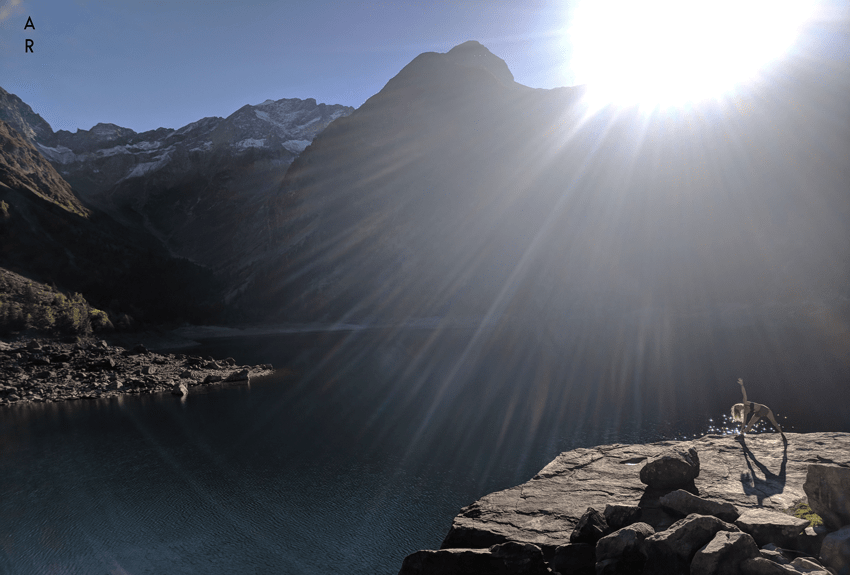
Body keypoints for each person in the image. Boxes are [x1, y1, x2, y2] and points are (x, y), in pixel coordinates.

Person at [732, 378, 787, 443]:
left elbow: (744, 393)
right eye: (738, 407)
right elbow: (744, 422)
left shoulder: (745, 403)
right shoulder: (745, 412)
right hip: (758, 412)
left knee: (774, 422)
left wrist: (742, 385)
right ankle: (741, 435)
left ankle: (782, 434)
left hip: (764, 409)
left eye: (738, 405)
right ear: (738, 410)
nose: (739, 405)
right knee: (750, 424)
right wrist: (741, 430)